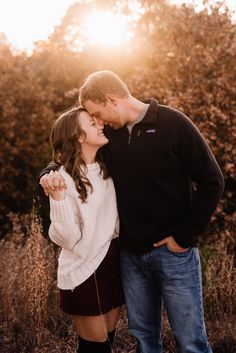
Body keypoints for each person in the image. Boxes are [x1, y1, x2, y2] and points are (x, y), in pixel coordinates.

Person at [40, 71, 224, 353]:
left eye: (97, 113)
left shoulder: (173, 124)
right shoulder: (108, 137)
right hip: (129, 258)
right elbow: (74, 156)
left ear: (112, 100)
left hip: (174, 254)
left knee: (191, 341)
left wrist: (184, 237)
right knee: (145, 340)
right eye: (93, 118)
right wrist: (49, 173)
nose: (98, 121)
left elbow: (213, 181)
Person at [44, 106, 124, 353]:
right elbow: (67, 238)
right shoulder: (62, 178)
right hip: (85, 269)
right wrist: (57, 198)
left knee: (108, 342)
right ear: (79, 136)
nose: (100, 124)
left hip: (113, 261)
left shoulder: (108, 166)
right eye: (91, 122)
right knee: (94, 347)